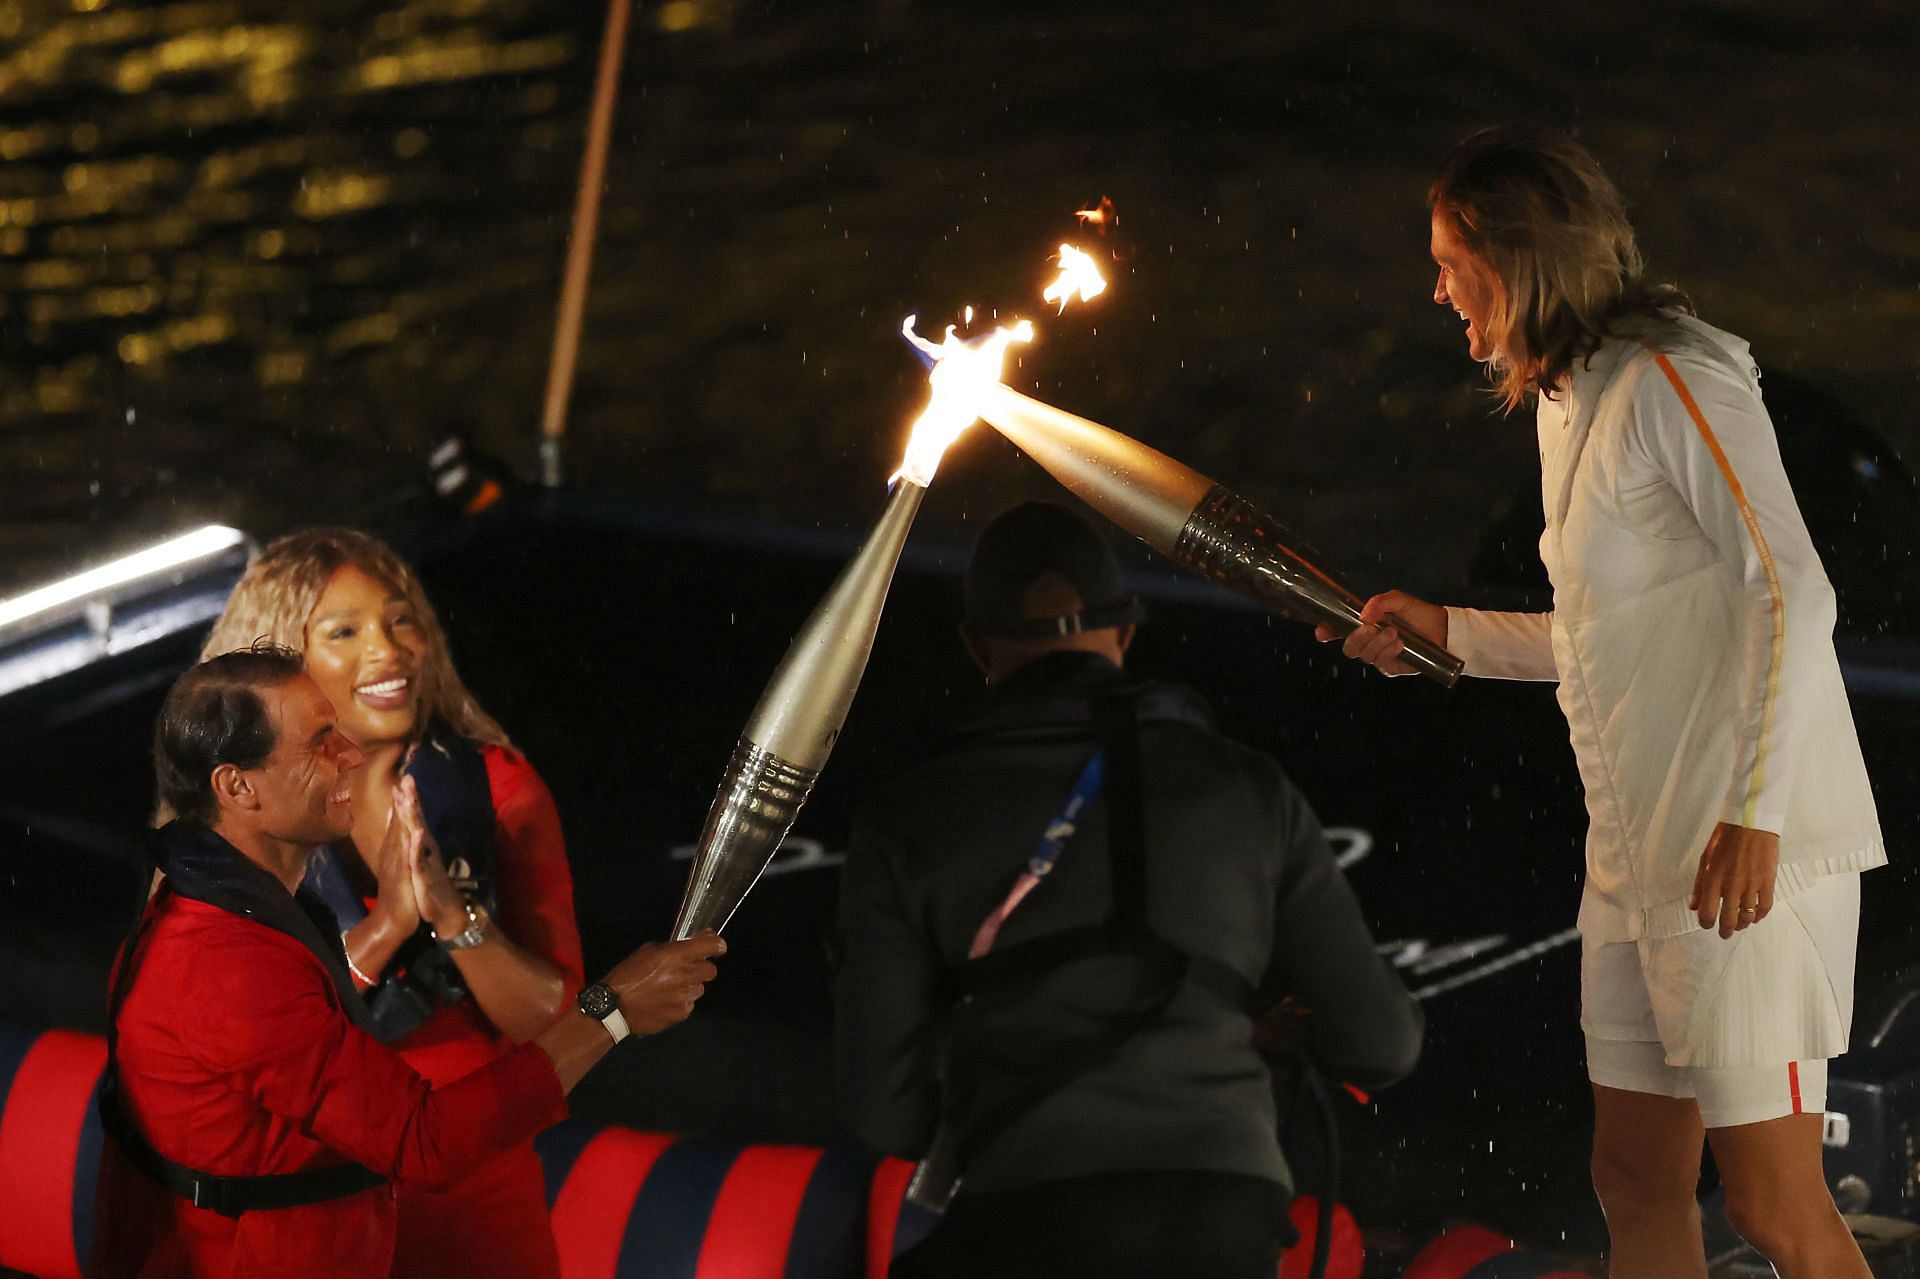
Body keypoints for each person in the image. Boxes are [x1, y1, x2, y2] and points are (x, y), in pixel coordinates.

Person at [1328, 126, 1885, 1276]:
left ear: (1517, 256)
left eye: (1450, 262)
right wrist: (1451, 637)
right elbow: (1601, 643)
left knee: (1776, 1206)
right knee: (1633, 1180)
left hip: (1746, 862)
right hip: (1638, 863)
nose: (1435, 291)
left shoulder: (1673, 373)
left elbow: (1791, 589)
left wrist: (1755, 812)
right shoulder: (1564, 400)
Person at [835, 501, 1423, 1279]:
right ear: (1128, 627)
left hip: (1026, 1217)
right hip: (1223, 1216)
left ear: (976, 646)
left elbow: (885, 1113)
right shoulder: (1247, 790)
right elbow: (1383, 1044)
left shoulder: (907, 819)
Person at [94, 645, 726, 1277]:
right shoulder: (225, 963)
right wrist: (610, 1012)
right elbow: (425, 1141)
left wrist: (394, 921)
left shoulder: (211, 903)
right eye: (320, 742)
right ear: (237, 786)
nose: (350, 753)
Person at [194, 529, 582, 1277]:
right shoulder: (236, 807)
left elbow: (561, 1021)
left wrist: (454, 918)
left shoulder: (501, 788)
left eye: (401, 620)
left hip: (475, 1202)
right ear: (280, 660)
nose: (389, 648)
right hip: (304, 1209)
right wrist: (389, 925)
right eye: (345, 631)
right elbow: (233, 1032)